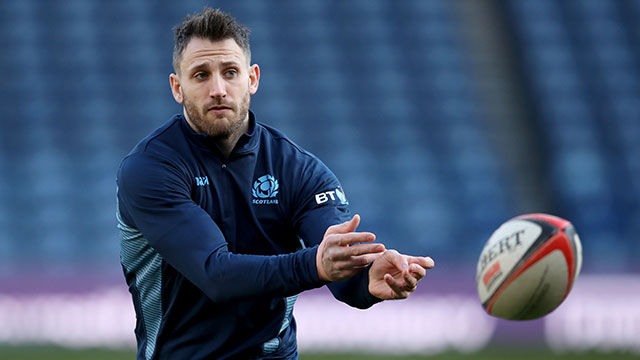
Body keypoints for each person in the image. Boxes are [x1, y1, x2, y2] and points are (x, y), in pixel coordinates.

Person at [116, 7, 435, 360]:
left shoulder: (299, 170)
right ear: (178, 87)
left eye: (230, 72)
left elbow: (341, 272)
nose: (218, 89)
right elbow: (216, 275)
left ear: (252, 79)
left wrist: (369, 276)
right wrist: (315, 265)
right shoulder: (150, 168)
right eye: (201, 75)